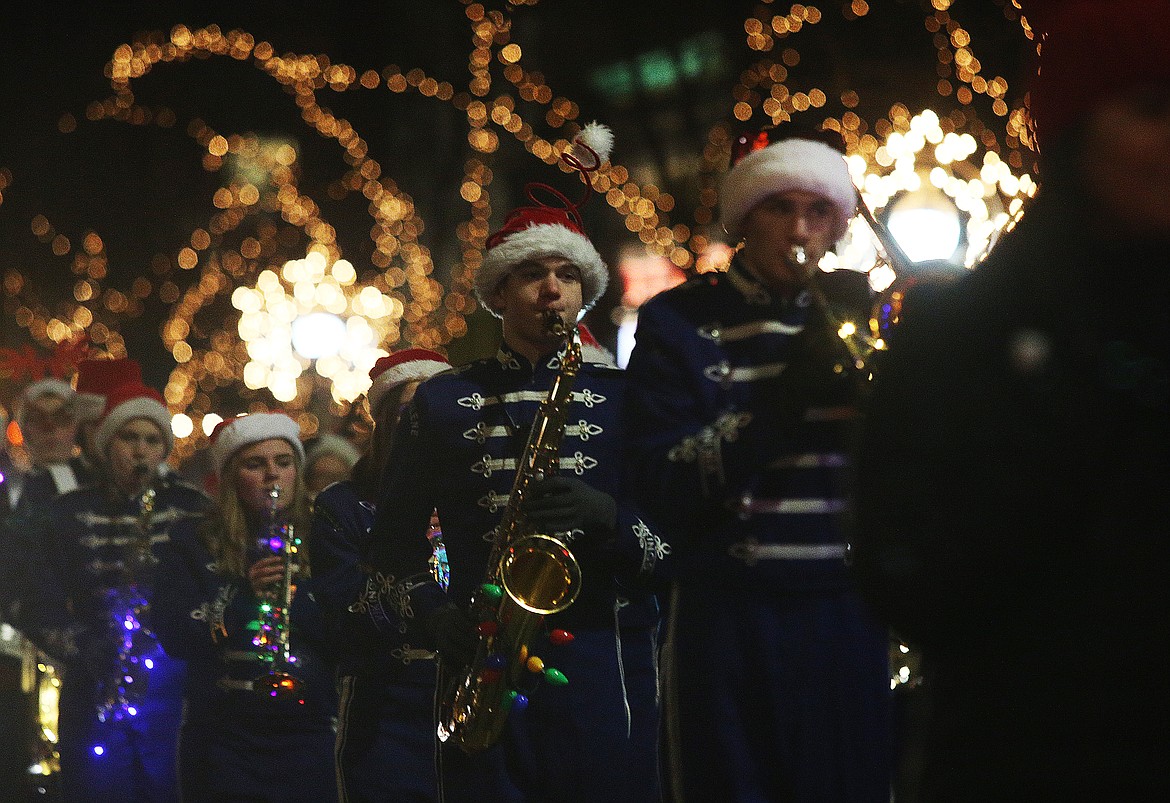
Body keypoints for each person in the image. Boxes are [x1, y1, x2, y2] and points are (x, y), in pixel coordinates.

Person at [850, 2, 1170, 800]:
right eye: (1153, 109)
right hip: (1037, 755)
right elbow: (910, 567)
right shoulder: (972, 329)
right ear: (1075, 131)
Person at [359, 124, 665, 802]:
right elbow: (391, 549)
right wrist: (436, 616)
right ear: (498, 293)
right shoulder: (442, 400)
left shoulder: (626, 398)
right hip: (483, 655)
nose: (550, 289)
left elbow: (674, 543)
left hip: (603, 663)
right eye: (531, 273)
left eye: (565, 275)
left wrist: (608, 516)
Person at [624, 123, 891, 801]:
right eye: (781, 208)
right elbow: (660, 479)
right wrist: (779, 405)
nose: (800, 229)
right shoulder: (678, 321)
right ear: (746, 218)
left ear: (838, 226)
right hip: (732, 612)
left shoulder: (864, 309)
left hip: (846, 609)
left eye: (818, 211)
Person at [14, 379, 208, 801]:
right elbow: (33, 601)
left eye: (151, 440)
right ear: (106, 443)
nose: (140, 450)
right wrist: (82, 646)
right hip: (94, 678)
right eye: (128, 437)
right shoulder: (69, 508)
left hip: (173, 685)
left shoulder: (191, 507)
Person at [152, 412, 338, 802]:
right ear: (231, 477)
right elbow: (176, 634)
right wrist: (243, 599)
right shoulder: (191, 540)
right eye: (256, 464)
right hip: (222, 736)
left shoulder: (327, 535)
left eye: (283, 463)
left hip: (309, 732)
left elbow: (347, 629)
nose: (273, 475)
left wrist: (298, 598)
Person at [309, 347, 451, 802]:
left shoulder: (474, 496)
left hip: (471, 692)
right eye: (413, 408)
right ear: (388, 420)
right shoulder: (344, 505)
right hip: (387, 704)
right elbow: (348, 610)